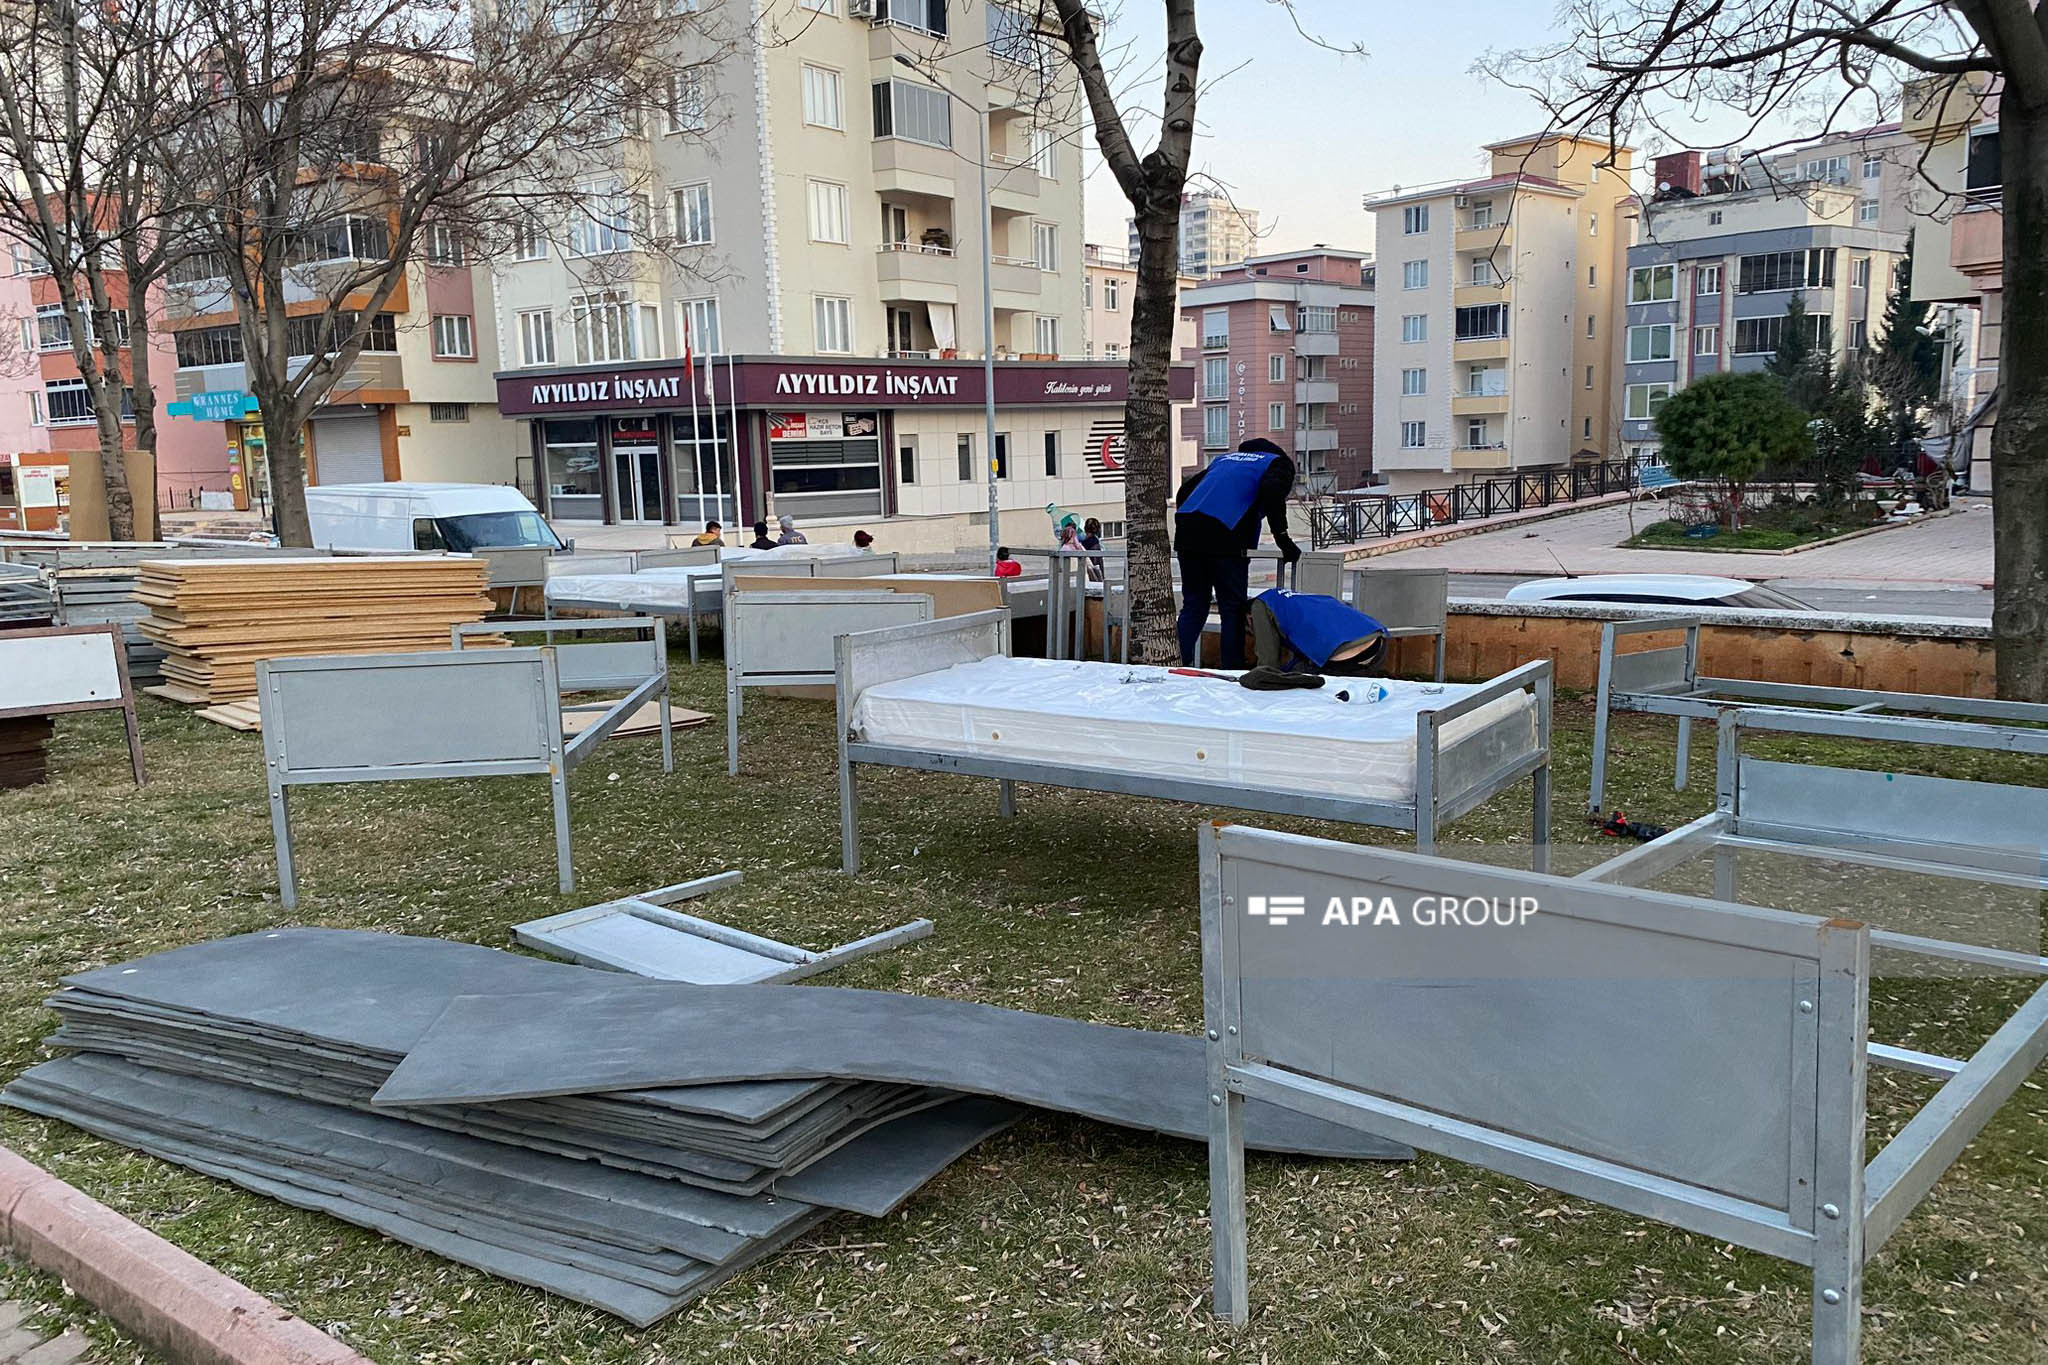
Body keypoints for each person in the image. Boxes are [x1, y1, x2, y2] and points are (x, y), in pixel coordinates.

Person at [1174, 436, 1300, 668]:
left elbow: (1185, 491)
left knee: (1194, 604)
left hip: (1188, 532)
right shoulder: (1277, 463)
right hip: (1226, 534)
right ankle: (1232, 669)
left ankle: (1176, 662)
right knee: (1231, 607)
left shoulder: (1224, 460)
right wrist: (1283, 539)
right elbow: (1273, 491)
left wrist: (1188, 523)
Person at [1246, 588, 1386, 677]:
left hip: (1345, 657)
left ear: (1248, 618)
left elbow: (1268, 665)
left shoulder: (1259, 605)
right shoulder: (1294, 600)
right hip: (1377, 642)